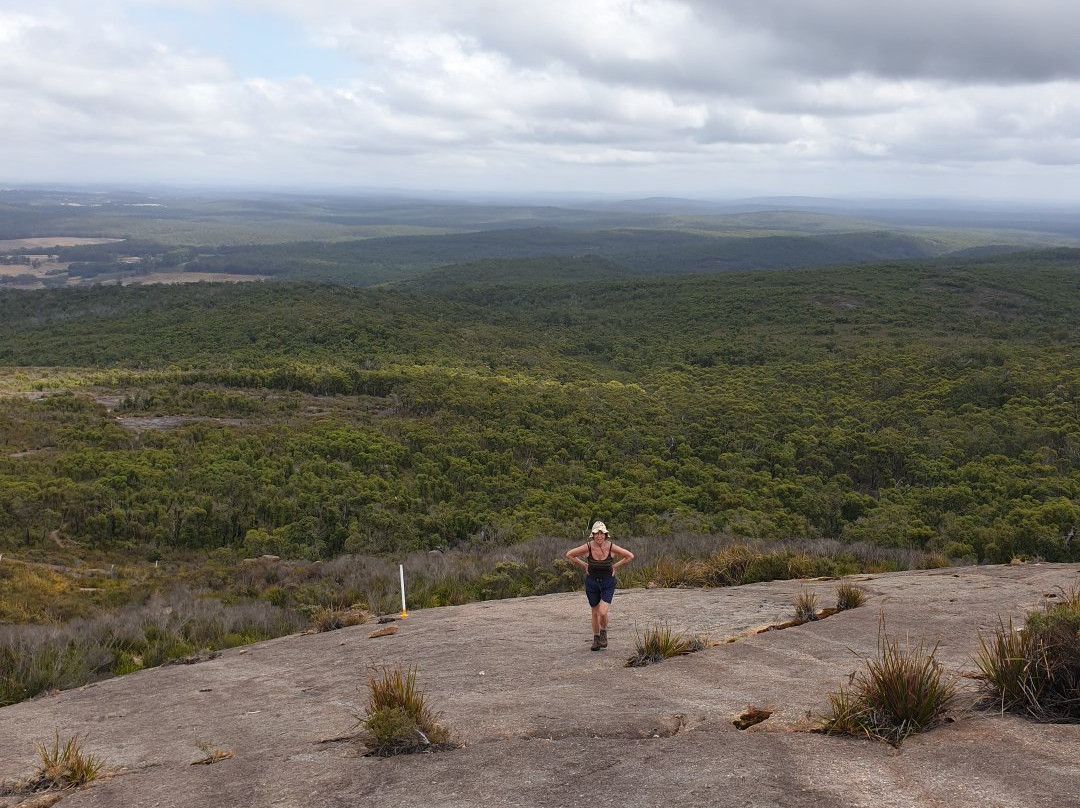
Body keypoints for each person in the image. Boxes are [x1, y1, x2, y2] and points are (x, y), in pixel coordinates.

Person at [565, 521, 634, 651]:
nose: (599, 536)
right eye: (597, 533)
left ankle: (604, 633)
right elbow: (570, 554)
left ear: (606, 535)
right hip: (592, 582)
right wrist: (584, 565)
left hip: (608, 582)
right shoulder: (588, 547)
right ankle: (597, 639)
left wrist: (615, 566)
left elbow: (629, 556)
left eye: (602, 533)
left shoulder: (611, 547)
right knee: (595, 612)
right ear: (593, 535)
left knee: (602, 611)